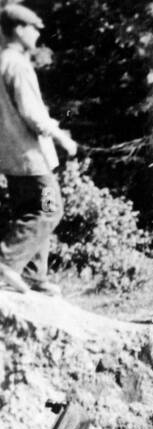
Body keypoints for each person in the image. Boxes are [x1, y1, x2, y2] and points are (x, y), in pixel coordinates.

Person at [0, 3, 76, 295]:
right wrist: (62, 138)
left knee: (29, 211)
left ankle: (34, 276)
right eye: (33, 29)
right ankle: (7, 261)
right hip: (31, 157)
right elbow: (32, 114)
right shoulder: (17, 64)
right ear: (19, 30)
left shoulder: (2, 62)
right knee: (48, 210)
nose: (37, 35)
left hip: (10, 157)